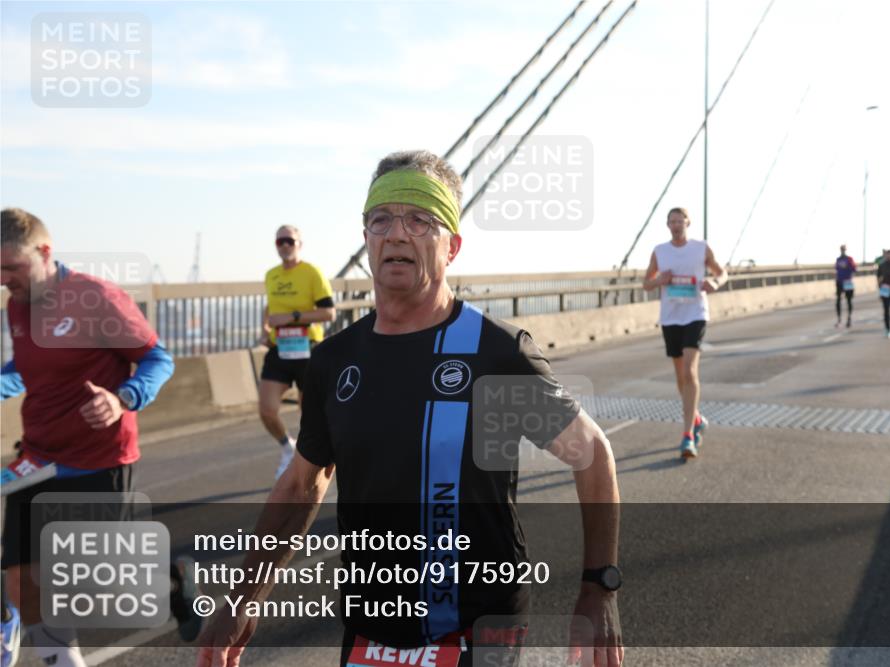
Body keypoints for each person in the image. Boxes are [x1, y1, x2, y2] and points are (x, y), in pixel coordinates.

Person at [197, 151, 623, 667]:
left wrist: (599, 587)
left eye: (420, 219)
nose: (397, 233)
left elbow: (592, 453)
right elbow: (302, 485)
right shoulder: (334, 360)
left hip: (476, 630)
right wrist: (242, 596)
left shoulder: (495, 352)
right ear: (366, 238)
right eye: (382, 219)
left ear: (452, 247)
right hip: (369, 630)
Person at [0, 208, 197, 667]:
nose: (4, 280)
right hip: (38, 456)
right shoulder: (17, 304)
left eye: (11, 267)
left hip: (99, 456)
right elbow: (26, 368)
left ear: (44, 252)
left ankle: (173, 580)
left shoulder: (95, 298)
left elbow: (158, 358)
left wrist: (123, 397)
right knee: (22, 581)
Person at [642, 207, 728, 459]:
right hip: (670, 317)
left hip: (695, 314)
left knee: (690, 371)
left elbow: (722, 273)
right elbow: (646, 284)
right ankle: (697, 418)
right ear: (667, 225)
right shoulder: (660, 251)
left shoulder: (701, 248)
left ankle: (688, 435)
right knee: (680, 376)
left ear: (688, 223)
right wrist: (660, 280)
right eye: (672, 222)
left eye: (680, 221)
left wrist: (715, 282)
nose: (676, 225)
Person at [258, 225, 335, 479]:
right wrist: (264, 328)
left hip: (307, 348)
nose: (284, 245)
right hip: (279, 348)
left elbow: (329, 313)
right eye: (280, 241)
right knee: (266, 410)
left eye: (289, 241)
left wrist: (293, 317)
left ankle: (305, 463)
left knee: (308, 415)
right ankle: (286, 448)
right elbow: (270, 306)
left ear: (299, 244)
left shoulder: (312, 272)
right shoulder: (271, 275)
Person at [833, 244, 857, 328]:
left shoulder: (849, 259)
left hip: (848, 282)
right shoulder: (838, 259)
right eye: (841, 249)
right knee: (838, 300)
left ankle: (849, 319)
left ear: (846, 250)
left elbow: (854, 269)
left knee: (849, 300)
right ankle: (839, 319)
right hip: (839, 281)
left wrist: (847, 268)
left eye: (844, 249)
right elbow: (836, 269)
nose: (842, 251)